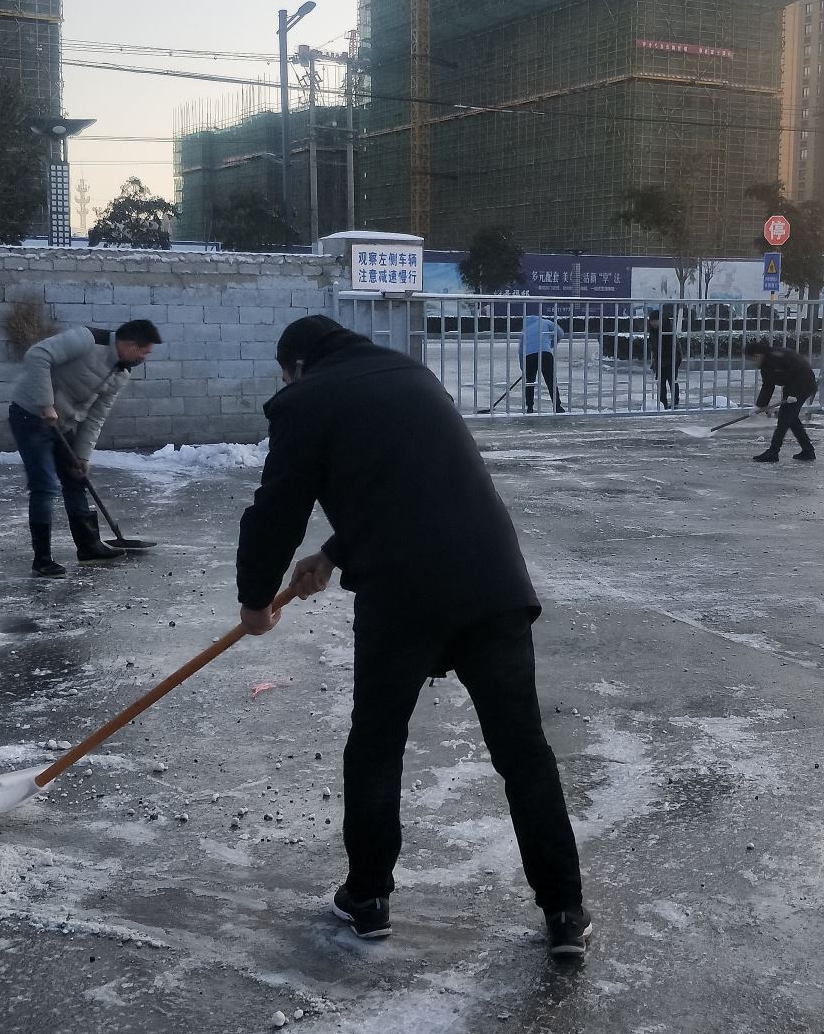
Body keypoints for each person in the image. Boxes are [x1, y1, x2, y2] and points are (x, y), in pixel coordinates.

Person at [235, 315, 591, 958]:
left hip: (403, 597)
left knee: (376, 744)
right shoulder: (412, 376)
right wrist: (333, 553)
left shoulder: (306, 399)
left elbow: (277, 508)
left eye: (285, 375)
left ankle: (368, 896)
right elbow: (413, 487)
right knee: (523, 752)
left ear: (297, 366)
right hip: (491, 583)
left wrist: (255, 600)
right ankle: (564, 909)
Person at [8, 319, 162, 576]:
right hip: (31, 415)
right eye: (144, 352)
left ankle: (89, 547)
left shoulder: (121, 373)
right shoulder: (87, 340)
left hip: (63, 423)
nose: (144, 358)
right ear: (131, 345)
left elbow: (96, 416)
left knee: (76, 478)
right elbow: (37, 355)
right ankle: (42, 560)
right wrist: (46, 403)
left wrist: (82, 456)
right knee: (44, 485)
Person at [747, 339, 818, 463]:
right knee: (791, 418)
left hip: (804, 384)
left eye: (752, 359)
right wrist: (759, 406)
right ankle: (808, 450)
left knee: (784, 417)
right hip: (791, 387)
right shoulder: (766, 364)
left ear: (757, 355)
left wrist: (794, 394)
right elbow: (768, 385)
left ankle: (773, 452)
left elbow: (801, 371)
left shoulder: (778, 356)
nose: (753, 362)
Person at [518, 309, 566, 414]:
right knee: (551, 380)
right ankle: (557, 406)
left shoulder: (524, 330)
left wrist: (523, 367)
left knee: (530, 382)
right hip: (545, 353)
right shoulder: (545, 322)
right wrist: (550, 344)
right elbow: (560, 333)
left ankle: (529, 407)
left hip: (529, 356)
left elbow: (521, 350)